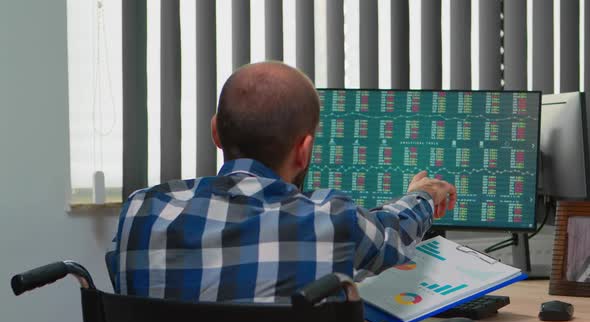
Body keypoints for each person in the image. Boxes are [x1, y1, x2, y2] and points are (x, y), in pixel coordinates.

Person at [109, 62, 456, 303]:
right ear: (304, 151)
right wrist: (425, 195)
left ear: (216, 132)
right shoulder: (331, 220)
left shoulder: (140, 211)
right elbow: (392, 232)